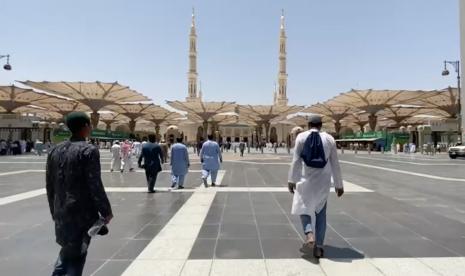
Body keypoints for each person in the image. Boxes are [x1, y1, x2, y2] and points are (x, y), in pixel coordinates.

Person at [46, 112, 113, 276]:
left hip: (61, 210)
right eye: (89, 124)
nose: (90, 127)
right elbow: (94, 183)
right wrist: (105, 211)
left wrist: (54, 210)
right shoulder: (88, 150)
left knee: (68, 251)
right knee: (77, 255)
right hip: (81, 213)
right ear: (85, 127)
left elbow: (49, 184)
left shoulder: (55, 150)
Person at [288, 115, 344, 259]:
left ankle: (309, 233)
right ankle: (319, 247)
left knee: (303, 207)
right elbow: (335, 163)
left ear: (308, 124)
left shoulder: (301, 137)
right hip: (323, 182)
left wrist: (291, 180)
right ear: (320, 125)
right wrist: (339, 184)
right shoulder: (329, 139)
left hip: (306, 179)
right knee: (321, 214)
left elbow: (296, 161)